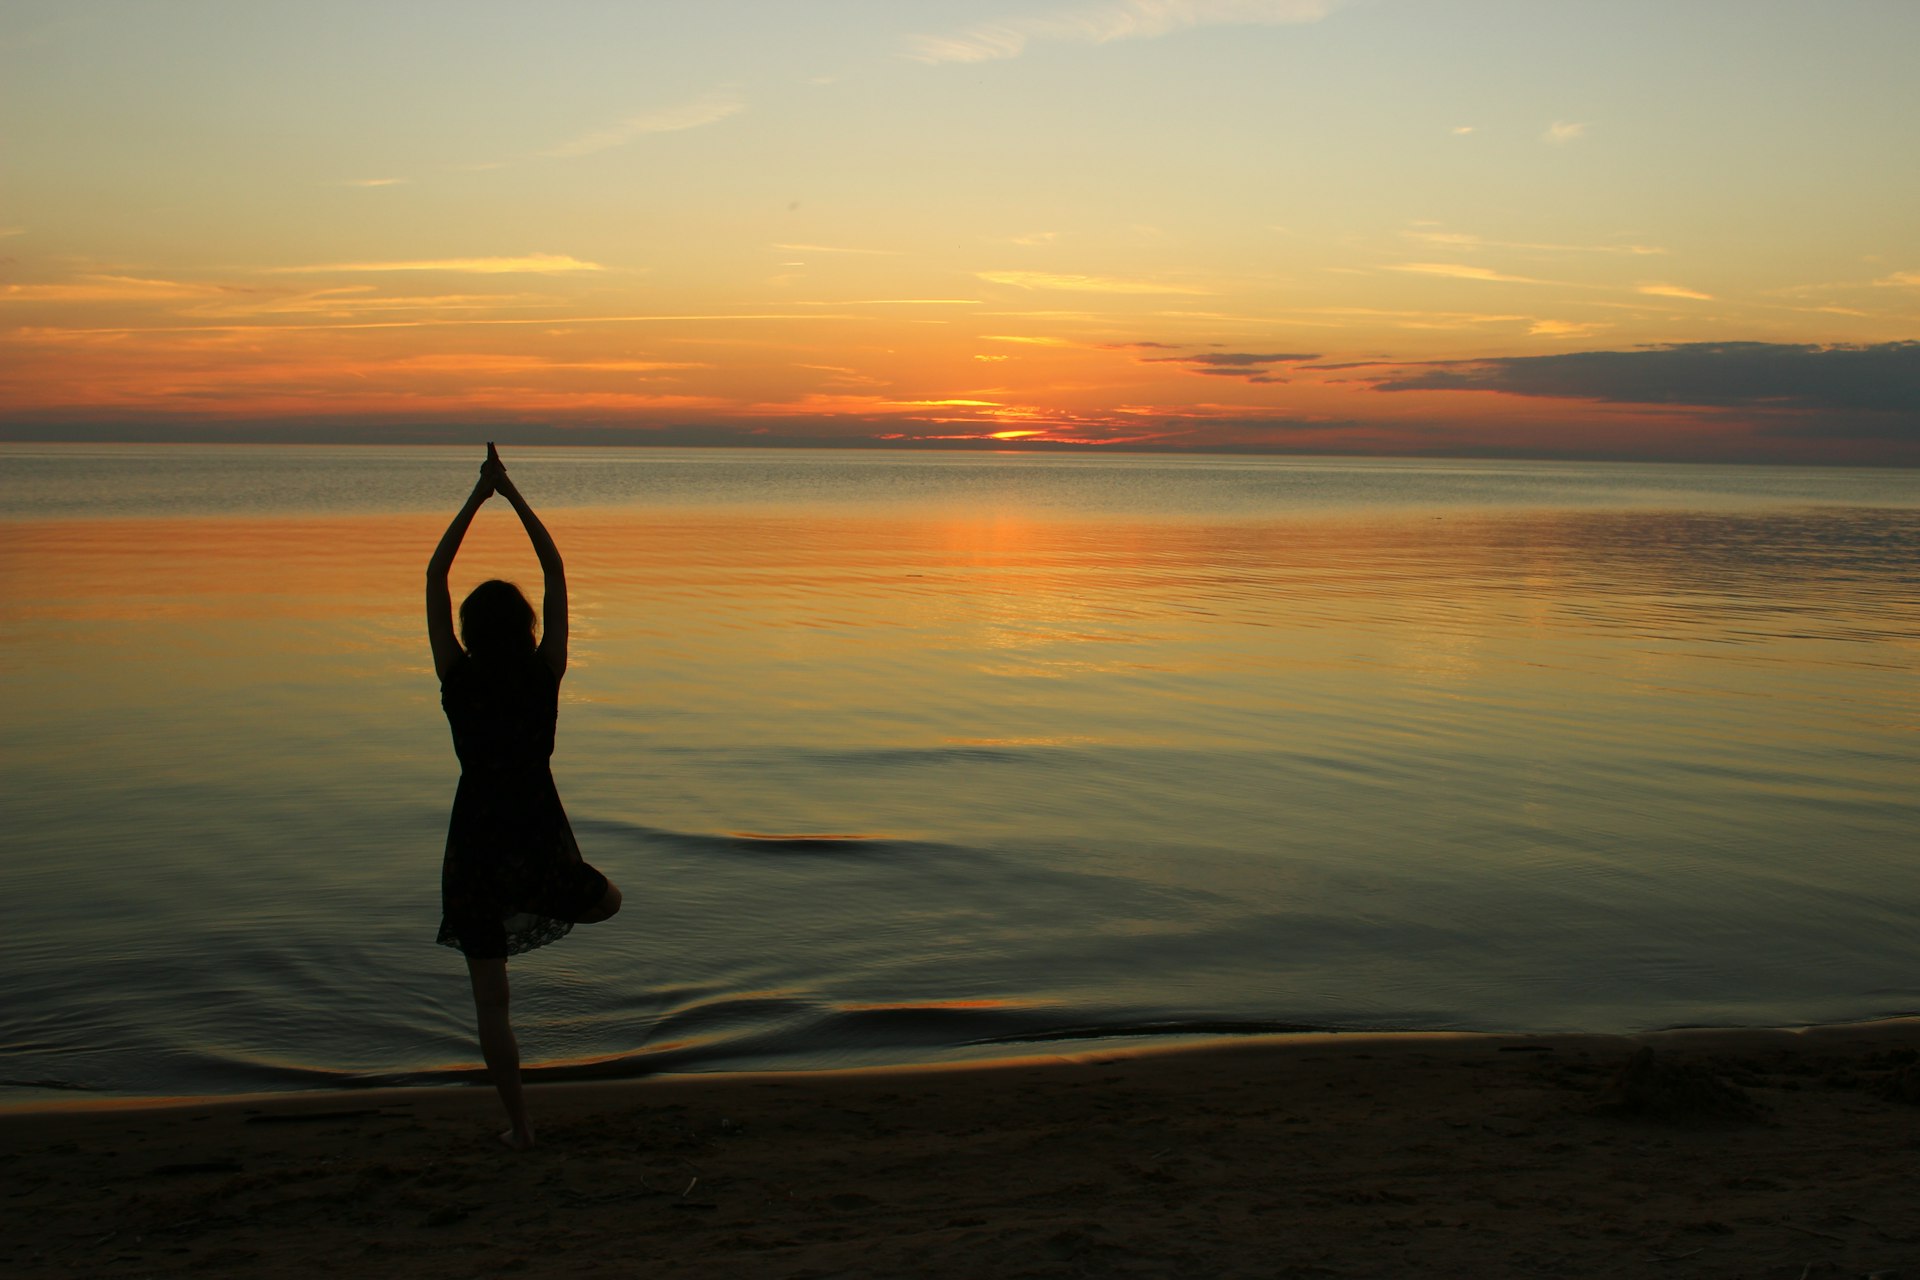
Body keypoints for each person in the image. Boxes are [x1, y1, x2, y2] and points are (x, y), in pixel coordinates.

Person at [426, 443, 621, 1150]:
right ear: (528, 629)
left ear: (470, 634)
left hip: (476, 841)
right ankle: (534, 895)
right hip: (536, 835)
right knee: (609, 902)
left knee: (491, 1001)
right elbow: (556, 571)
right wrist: (512, 497)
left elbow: (436, 575)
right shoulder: (545, 673)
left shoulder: (458, 676)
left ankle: (521, 1127)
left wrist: (478, 500)